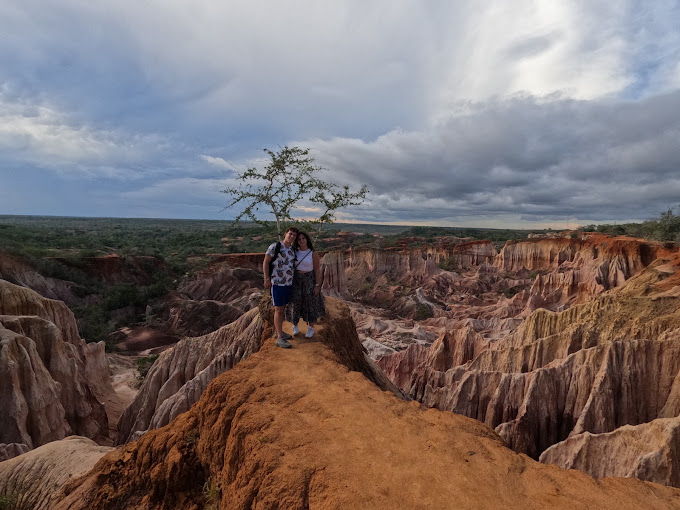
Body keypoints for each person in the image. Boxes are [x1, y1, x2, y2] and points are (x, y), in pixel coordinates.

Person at [263, 227, 299, 348]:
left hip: (288, 284)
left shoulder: (292, 250)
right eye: (290, 234)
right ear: (285, 234)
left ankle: (280, 332)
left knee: (282, 309)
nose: (292, 236)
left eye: (294, 235)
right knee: (278, 310)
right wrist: (267, 279)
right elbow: (266, 262)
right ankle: (279, 337)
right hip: (277, 284)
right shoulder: (275, 246)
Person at [290, 231, 325, 338]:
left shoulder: (312, 253)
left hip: (309, 279)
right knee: (296, 302)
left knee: (310, 302)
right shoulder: (295, 252)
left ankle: (311, 327)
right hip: (296, 279)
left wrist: (317, 285)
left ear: (307, 239)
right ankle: (294, 325)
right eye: (299, 239)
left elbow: (317, 270)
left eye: (303, 238)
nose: (301, 241)